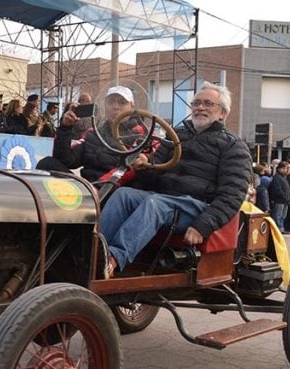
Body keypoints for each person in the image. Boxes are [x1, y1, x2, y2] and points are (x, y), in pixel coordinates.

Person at [100, 82, 251, 276]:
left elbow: (233, 195)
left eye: (207, 103)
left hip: (196, 205)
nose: (200, 108)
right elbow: (154, 172)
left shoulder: (233, 146)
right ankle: (93, 249)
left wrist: (202, 226)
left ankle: (113, 259)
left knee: (155, 203)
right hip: (166, 200)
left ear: (223, 113)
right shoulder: (175, 136)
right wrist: (144, 165)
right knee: (123, 195)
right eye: (196, 103)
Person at [36, 86, 143, 181]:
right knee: (47, 163)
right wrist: (65, 128)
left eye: (122, 102)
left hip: (115, 190)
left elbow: (132, 170)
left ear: (132, 107)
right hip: (88, 190)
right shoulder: (94, 133)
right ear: (105, 106)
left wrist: (100, 188)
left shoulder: (141, 136)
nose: (115, 106)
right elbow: (67, 160)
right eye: (111, 102)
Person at [268, 161, 290, 230]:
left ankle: (281, 227)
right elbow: (277, 190)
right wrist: (284, 197)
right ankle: (277, 228)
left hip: (285, 201)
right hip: (279, 200)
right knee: (277, 215)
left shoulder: (284, 178)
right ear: (279, 169)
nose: (285, 170)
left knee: (283, 216)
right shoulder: (277, 177)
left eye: (286, 168)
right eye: (283, 168)